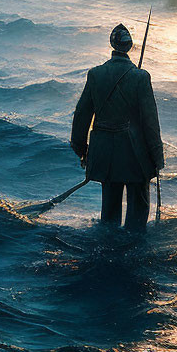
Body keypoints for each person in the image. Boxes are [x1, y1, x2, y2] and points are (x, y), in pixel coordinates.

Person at [70, 23, 164, 229]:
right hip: (135, 155)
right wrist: (157, 157)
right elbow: (150, 123)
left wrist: (82, 150)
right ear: (129, 47)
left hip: (104, 154)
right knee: (137, 216)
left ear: (112, 45)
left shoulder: (95, 74)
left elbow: (81, 116)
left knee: (109, 215)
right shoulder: (141, 77)